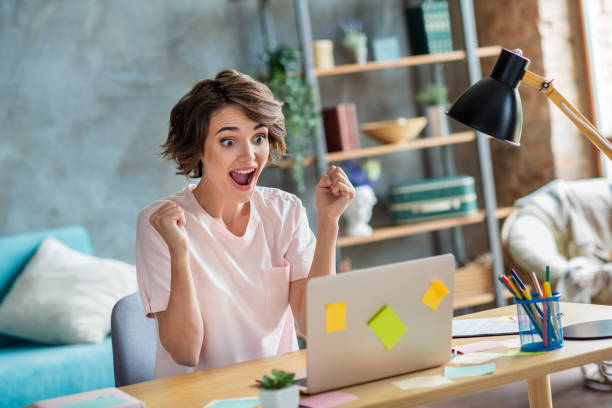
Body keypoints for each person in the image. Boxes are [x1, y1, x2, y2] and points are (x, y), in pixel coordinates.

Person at [135, 69, 355, 379]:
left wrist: (329, 223)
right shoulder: (159, 223)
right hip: (200, 399)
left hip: (276, 391)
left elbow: (316, 327)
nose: (249, 154)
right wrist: (180, 252)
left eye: (259, 137)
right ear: (199, 148)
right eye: (228, 141)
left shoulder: (285, 211)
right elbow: (185, 351)